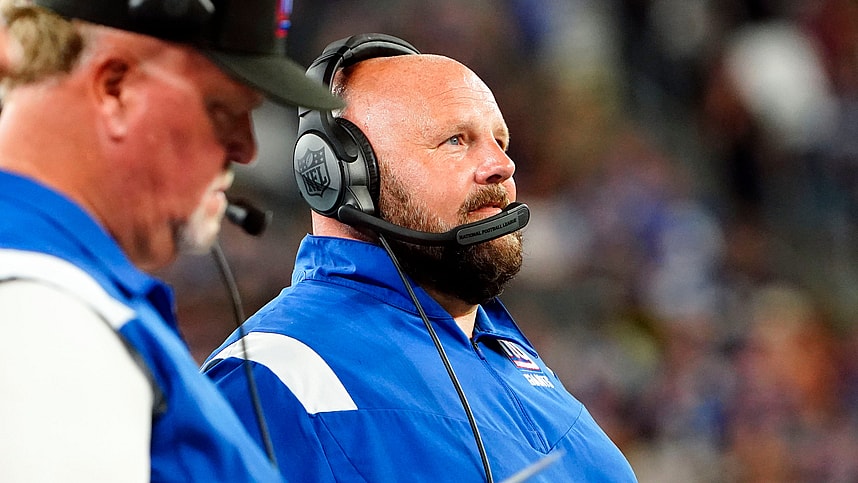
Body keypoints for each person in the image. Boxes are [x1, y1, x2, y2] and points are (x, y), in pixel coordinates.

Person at [204, 33, 638, 482]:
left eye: (500, 142)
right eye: (456, 140)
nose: (502, 166)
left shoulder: (517, 362)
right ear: (342, 173)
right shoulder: (270, 377)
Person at [0, 0, 342, 481]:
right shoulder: (40, 305)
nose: (246, 148)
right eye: (221, 108)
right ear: (115, 89)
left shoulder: (65, 291)